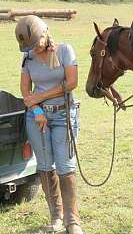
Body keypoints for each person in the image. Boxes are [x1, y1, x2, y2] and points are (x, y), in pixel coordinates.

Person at [16, 15, 83, 234]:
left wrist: (40, 97)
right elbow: (25, 91)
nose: (33, 50)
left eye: (36, 45)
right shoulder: (28, 57)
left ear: (45, 33)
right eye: (29, 47)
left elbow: (71, 82)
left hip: (64, 115)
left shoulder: (65, 51)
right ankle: (56, 217)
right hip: (37, 118)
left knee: (65, 166)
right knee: (45, 166)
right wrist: (35, 108)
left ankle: (72, 221)